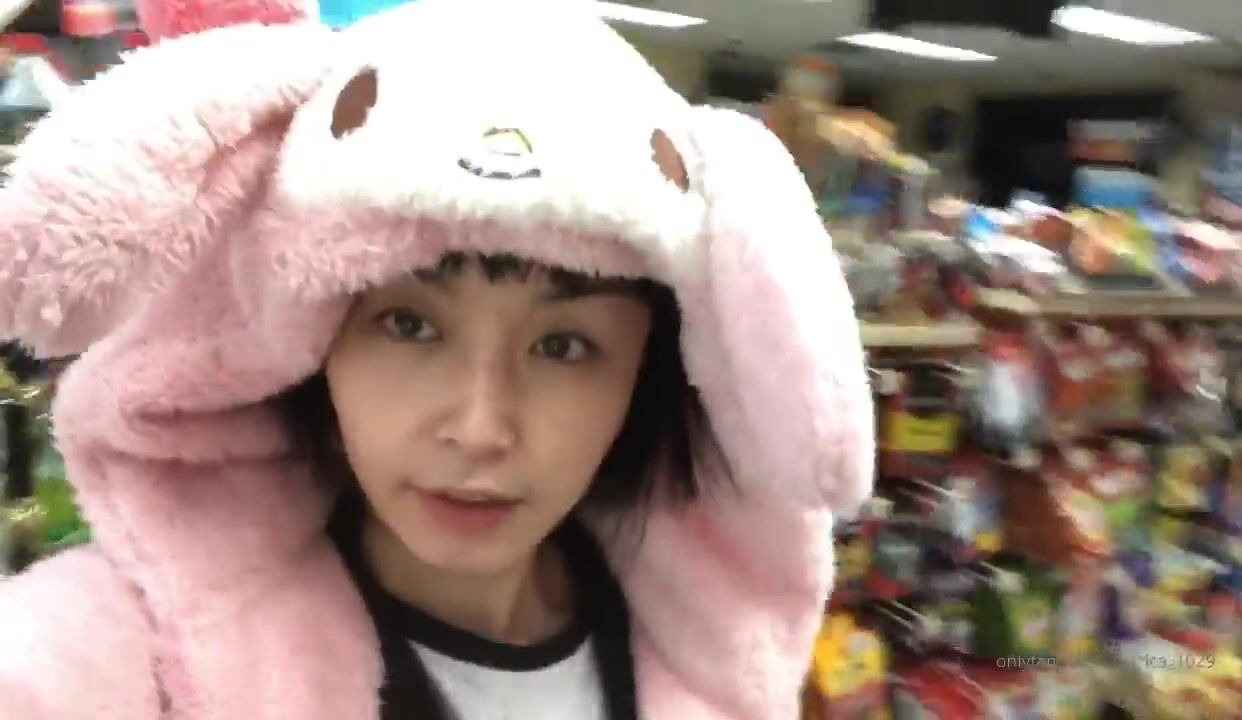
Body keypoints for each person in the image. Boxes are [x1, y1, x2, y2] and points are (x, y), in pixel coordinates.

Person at [0, 0, 874, 718]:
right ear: (307, 338)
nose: (480, 427)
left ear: (649, 371)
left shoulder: (694, 652)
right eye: (409, 326)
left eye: (564, 346)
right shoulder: (130, 649)